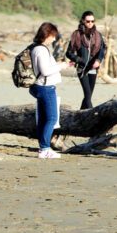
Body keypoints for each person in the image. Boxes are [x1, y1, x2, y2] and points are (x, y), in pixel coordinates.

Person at [29, 22, 72, 159]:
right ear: (47, 34)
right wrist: (61, 66)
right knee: (52, 118)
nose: (54, 39)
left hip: (41, 86)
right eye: (53, 36)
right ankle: (45, 149)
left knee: (43, 118)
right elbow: (45, 70)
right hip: (45, 87)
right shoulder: (41, 49)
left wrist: (60, 64)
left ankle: (43, 147)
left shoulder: (36, 48)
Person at [66, 11, 107, 110]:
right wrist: (79, 60)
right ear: (83, 21)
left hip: (93, 68)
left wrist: (98, 60)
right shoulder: (77, 34)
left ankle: (79, 115)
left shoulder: (97, 35)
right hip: (82, 69)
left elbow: (103, 49)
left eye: (92, 21)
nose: (90, 23)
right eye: (88, 21)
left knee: (88, 97)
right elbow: (69, 53)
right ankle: (94, 116)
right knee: (88, 95)